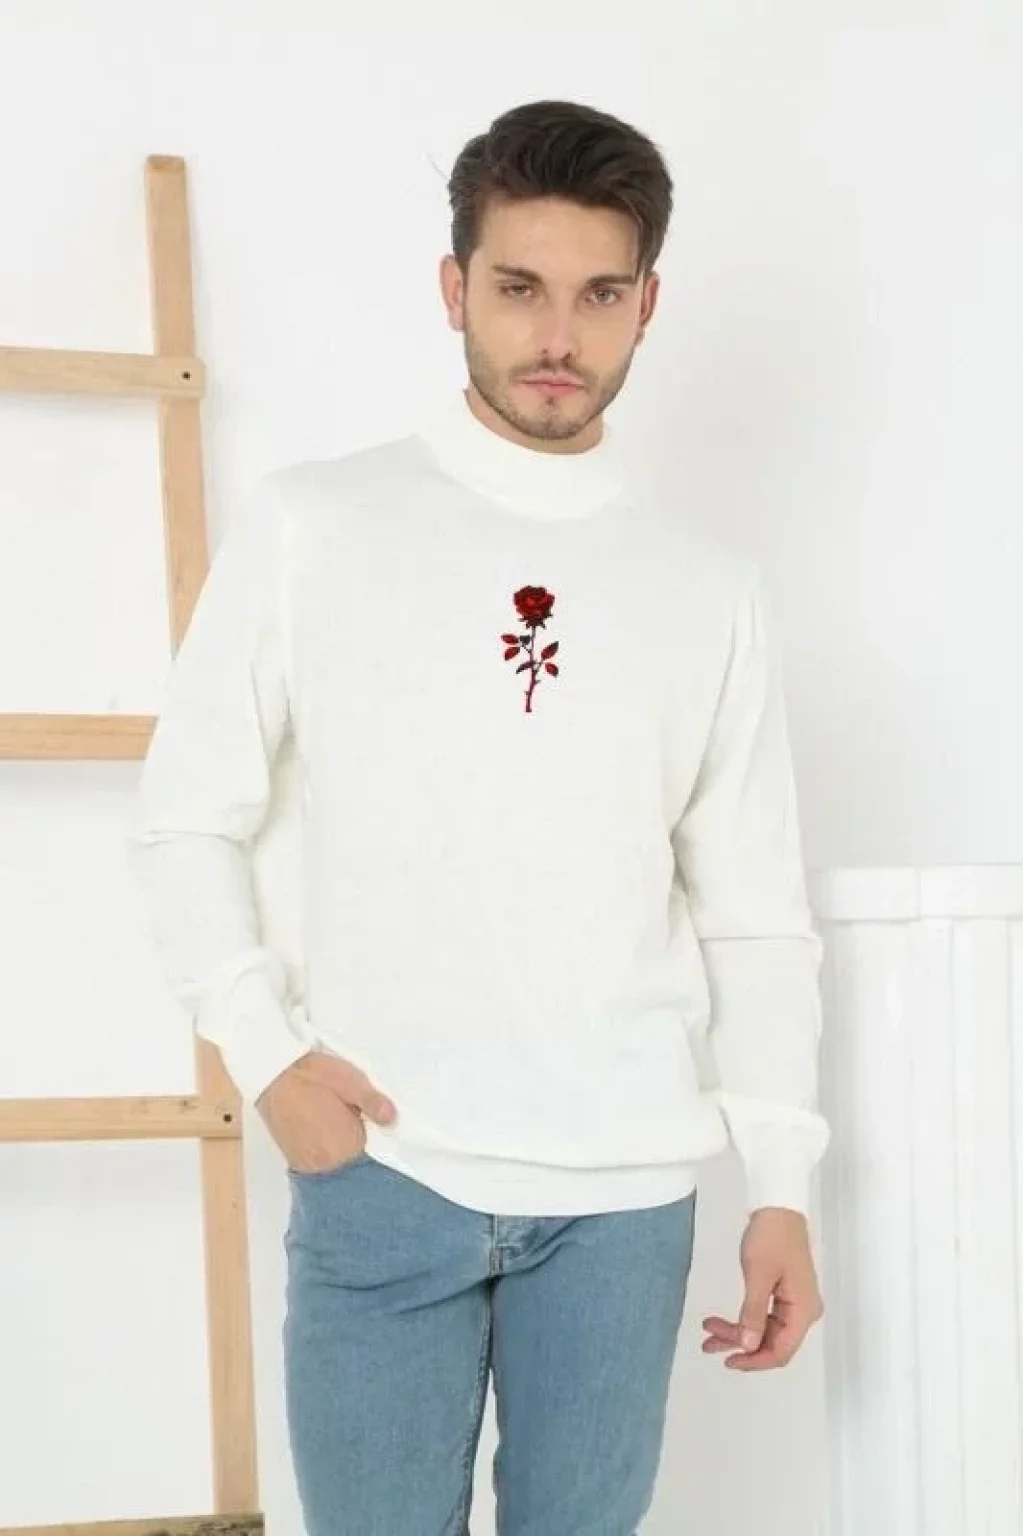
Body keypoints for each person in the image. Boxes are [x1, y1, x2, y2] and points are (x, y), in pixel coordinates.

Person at [127, 97, 829, 1536]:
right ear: (455, 288)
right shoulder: (316, 525)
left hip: (626, 1198)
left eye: (600, 294)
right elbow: (188, 815)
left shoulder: (707, 586)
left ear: (648, 305)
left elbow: (754, 909)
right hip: (386, 1165)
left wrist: (782, 1183)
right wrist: (267, 1055)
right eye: (519, 288)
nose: (558, 336)